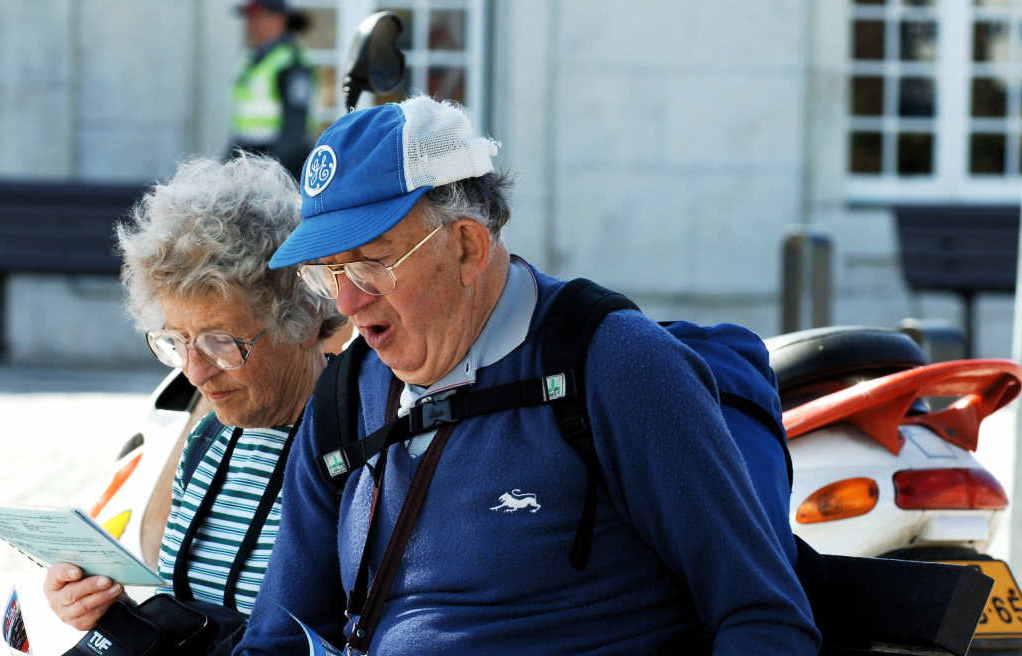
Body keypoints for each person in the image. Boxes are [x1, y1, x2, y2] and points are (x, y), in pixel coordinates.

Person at [236, 96, 821, 655]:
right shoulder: (346, 394)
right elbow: (278, 638)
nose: (348, 302)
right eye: (328, 273)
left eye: (370, 265)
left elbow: (764, 619)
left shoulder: (615, 365)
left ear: (467, 246)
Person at [42, 154, 345, 638]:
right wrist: (110, 612)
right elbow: (198, 620)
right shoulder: (208, 441)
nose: (195, 371)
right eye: (177, 342)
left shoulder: (358, 447)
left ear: (305, 319)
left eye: (221, 341)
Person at [227, 0, 317, 176]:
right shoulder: (251, 60)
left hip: (281, 164)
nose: (251, 23)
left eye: (257, 17)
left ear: (278, 19)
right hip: (250, 156)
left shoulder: (291, 62)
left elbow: (294, 130)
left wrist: (268, 172)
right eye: (249, 18)